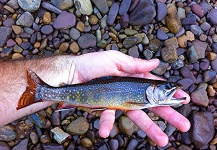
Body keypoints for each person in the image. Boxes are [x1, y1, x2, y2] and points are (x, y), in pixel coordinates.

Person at [0, 50, 190, 147]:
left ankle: (42, 91)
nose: (170, 91)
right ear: (153, 89)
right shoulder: (141, 100)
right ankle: (42, 91)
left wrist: (71, 69)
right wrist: (72, 69)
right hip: (90, 89)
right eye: (166, 88)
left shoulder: (145, 97)